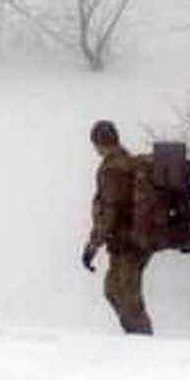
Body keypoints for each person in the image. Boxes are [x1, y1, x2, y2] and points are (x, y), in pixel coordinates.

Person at [80, 120, 153, 335]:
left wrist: (93, 245)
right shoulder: (131, 163)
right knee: (114, 289)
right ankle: (136, 336)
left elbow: (108, 211)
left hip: (126, 241)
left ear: (97, 143)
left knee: (125, 294)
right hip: (138, 239)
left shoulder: (112, 169)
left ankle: (143, 342)